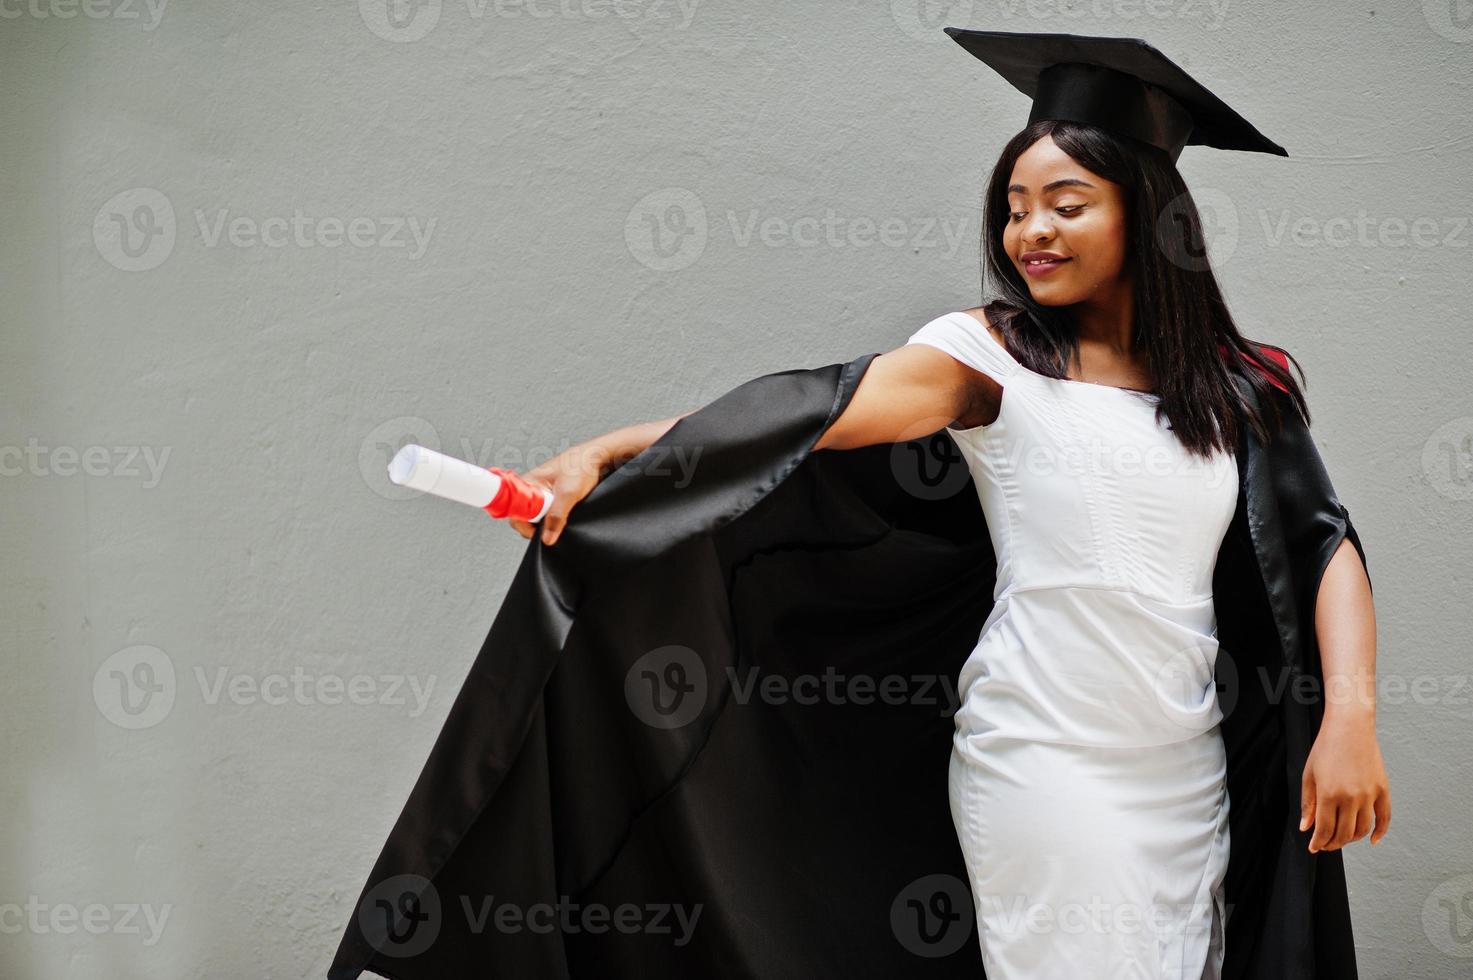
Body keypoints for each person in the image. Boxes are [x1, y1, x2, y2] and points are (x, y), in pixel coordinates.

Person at [493, 30, 1389, 979]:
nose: (1030, 232)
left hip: (1187, 768)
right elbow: (812, 408)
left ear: (1150, 218)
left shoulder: (1245, 386)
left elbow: (1324, 548)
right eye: (1014, 209)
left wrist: (1350, 720)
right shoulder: (988, 358)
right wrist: (615, 450)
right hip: (1042, 756)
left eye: (1065, 204)